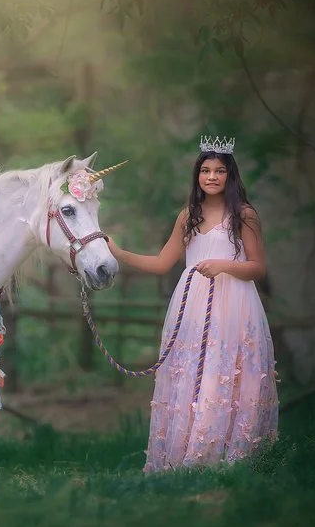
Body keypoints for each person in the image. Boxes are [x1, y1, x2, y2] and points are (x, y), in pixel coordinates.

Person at [106, 136, 279, 473]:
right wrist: (119, 253)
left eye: (218, 171)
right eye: (204, 170)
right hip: (193, 305)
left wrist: (224, 265)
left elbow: (257, 267)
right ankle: (187, 452)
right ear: (197, 175)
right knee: (192, 374)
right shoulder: (189, 216)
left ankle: (226, 454)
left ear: (230, 175)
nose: (211, 177)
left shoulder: (244, 215)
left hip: (234, 304)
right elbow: (161, 263)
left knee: (224, 372)